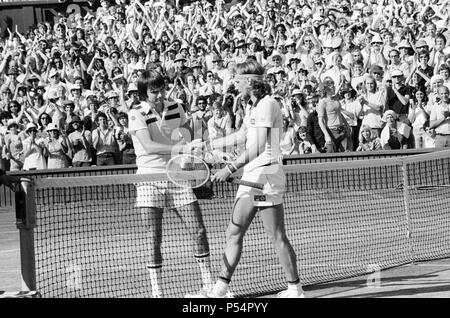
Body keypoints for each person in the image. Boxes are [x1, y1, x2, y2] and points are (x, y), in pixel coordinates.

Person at [192, 60, 305, 298]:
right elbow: (241, 136)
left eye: (238, 80)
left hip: (264, 176)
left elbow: (258, 146)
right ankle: (221, 289)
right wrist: (207, 144)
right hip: (255, 176)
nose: (234, 84)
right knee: (235, 232)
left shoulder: (267, 104)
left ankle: (294, 289)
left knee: (273, 235)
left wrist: (229, 169)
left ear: (250, 82)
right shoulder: (253, 107)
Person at [127, 69, 213, 298]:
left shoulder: (176, 106)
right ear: (143, 94)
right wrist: (183, 148)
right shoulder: (135, 113)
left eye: (161, 89)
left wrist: (195, 147)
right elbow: (148, 146)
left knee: (199, 230)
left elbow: (187, 133)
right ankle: (158, 292)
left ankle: (209, 285)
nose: (159, 95)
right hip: (148, 178)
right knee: (153, 237)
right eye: (153, 92)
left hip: (177, 174)